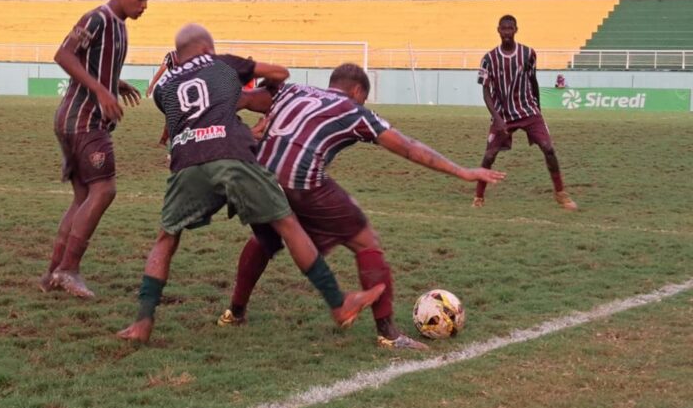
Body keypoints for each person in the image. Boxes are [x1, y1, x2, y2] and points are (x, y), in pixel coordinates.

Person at [117, 25, 384, 344]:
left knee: (166, 238)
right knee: (287, 224)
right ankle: (339, 305)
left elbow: (195, 117)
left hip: (186, 161)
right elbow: (280, 72)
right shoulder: (221, 62)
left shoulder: (165, 87)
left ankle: (142, 323)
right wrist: (261, 82)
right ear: (205, 48)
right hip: (231, 157)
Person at [216, 63, 507, 350]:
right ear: (357, 90)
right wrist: (463, 172)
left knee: (264, 237)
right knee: (366, 242)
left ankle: (235, 313)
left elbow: (240, 99)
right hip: (301, 180)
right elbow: (407, 146)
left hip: (255, 178)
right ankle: (389, 334)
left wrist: (236, 132)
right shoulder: (354, 109)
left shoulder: (291, 91)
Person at [39, 0, 153, 298]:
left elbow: (91, 65)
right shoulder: (97, 18)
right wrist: (102, 92)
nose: (144, 6)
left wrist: (114, 83)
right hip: (83, 119)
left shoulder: (121, 28)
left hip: (80, 119)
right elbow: (63, 55)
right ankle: (68, 270)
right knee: (104, 191)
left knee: (83, 197)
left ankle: (52, 275)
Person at [473, 15, 577, 211]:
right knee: (489, 156)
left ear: (516, 30)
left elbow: (533, 81)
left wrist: (538, 108)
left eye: (510, 28)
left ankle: (560, 193)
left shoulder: (528, 54)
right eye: (503, 29)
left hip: (528, 111)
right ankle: (479, 196)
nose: (506, 32)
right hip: (503, 115)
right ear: (498, 30)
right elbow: (486, 92)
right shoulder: (488, 59)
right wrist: (497, 118)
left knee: (548, 148)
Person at [146, 50, 180, 148]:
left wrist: (152, 85)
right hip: (174, 90)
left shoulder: (171, 55)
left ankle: (164, 140)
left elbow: (162, 69)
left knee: (172, 115)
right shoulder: (194, 56)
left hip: (162, 89)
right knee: (175, 115)